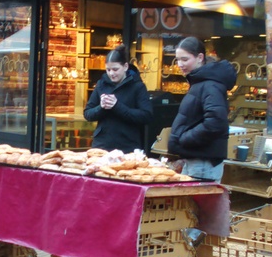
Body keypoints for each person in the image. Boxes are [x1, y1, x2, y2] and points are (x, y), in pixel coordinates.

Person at [167, 36, 237, 181]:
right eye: (178, 60)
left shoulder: (209, 85)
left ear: (200, 57)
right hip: (198, 160)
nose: (180, 64)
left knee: (199, 197)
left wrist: (184, 138)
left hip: (203, 162)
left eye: (185, 59)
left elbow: (215, 122)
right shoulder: (202, 82)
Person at [84, 44, 153, 153]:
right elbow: (88, 113)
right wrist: (101, 107)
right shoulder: (101, 84)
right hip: (102, 145)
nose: (111, 73)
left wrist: (117, 106)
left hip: (127, 146)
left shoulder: (137, 86)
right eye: (108, 70)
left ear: (125, 66)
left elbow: (146, 116)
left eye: (115, 69)